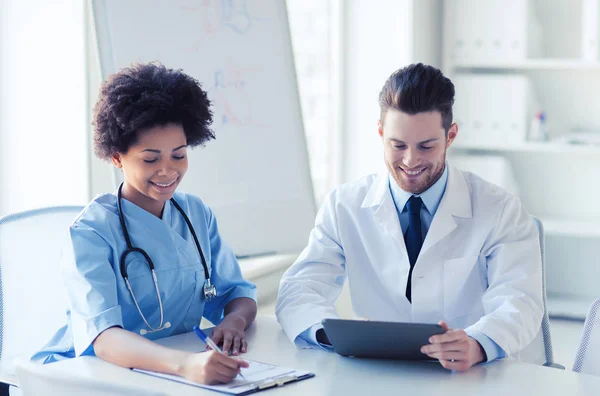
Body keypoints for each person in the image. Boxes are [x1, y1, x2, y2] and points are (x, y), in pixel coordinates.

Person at [276, 63, 543, 371]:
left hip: (470, 375)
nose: (410, 160)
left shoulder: (500, 209)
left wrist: (479, 343)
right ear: (380, 133)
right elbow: (299, 289)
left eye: (426, 146)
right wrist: (332, 334)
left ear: (451, 136)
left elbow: (521, 301)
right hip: (377, 373)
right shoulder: (344, 206)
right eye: (397, 145)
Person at [32, 62, 257, 384]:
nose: (167, 171)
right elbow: (104, 337)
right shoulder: (92, 232)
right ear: (116, 157)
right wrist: (184, 365)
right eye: (150, 159)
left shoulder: (196, 214)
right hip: (86, 375)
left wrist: (234, 321)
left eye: (178, 156)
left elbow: (237, 291)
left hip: (167, 369)